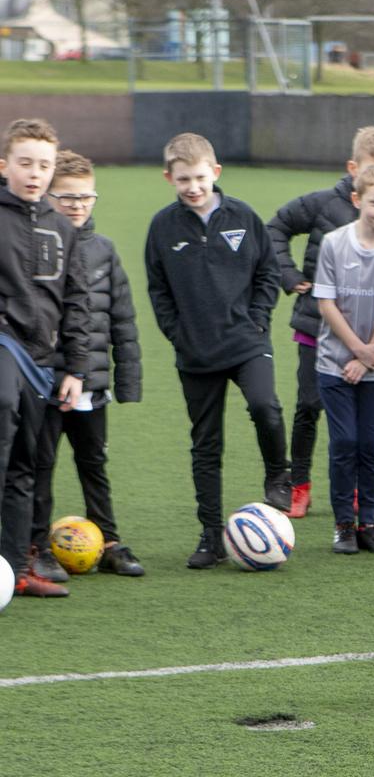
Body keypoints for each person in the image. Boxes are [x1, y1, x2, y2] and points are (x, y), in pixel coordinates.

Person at [145, 133, 291, 569]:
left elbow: (268, 272)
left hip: (247, 342)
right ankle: (210, 537)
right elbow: (159, 290)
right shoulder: (162, 227)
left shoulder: (243, 217)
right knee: (206, 445)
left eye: (200, 177)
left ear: (216, 173)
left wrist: (259, 319)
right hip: (196, 354)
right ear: (169, 177)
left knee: (265, 406)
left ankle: (279, 476)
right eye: (183, 179)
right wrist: (177, 333)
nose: (193, 186)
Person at [268, 126, 374, 518]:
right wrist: (291, 277)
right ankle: (300, 486)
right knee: (308, 406)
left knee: (363, 427)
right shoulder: (322, 204)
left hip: (373, 336)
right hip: (318, 327)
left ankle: (361, 495)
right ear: (353, 169)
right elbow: (275, 227)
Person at [30, 150, 144, 583]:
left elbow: (122, 318)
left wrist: (127, 380)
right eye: (67, 197)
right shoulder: (39, 244)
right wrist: (58, 377)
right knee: (41, 466)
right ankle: (36, 545)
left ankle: (110, 541)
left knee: (93, 462)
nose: (77, 205)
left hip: (92, 386)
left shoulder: (105, 250)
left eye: (85, 197)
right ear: (50, 196)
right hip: (48, 384)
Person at [0, 118, 89, 598]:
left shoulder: (62, 227)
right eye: (25, 163)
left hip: (43, 361)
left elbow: (77, 300)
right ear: (5, 165)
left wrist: (76, 368)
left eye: (45, 165)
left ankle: (16, 569)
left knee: (25, 466)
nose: (35, 173)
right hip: (3, 346)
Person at [312, 164, 374, 556]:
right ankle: (343, 525)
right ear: (356, 200)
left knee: (371, 443)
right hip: (335, 363)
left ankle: (369, 522)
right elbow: (325, 302)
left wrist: (368, 358)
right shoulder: (334, 243)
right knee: (344, 442)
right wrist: (355, 350)